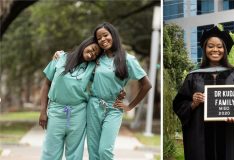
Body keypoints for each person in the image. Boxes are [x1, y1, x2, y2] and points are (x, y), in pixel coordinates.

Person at [173, 26, 234, 160]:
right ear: (205, 49)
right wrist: (193, 103)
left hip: (228, 134)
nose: (215, 50)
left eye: (219, 46)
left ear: (225, 50)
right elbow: (179, 103)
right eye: (210, 46)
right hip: (200, 136)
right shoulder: (194, 76)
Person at [87, 22, 152, 160]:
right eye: (99, 38)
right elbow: (79, 57)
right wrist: (61, 54)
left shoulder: (128, 59)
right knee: (93, 152)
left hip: (113, 108)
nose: (103, 40)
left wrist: (130, 106)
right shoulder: (96, 58)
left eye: (105, 35)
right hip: (93, 106)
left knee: (105, 151)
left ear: (113, 35)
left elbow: (146, 85)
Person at [39, 36, 101, 160]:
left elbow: (108, 78)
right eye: (93, 49)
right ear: (86, 44)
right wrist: (42, 111)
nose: (92, 54)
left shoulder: (93, 67)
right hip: (56, 111)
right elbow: (46, 84)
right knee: (51, 152)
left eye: (95, 54)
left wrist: (120, 91)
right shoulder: (61, 57)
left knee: (75, 153)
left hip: (78, 113)